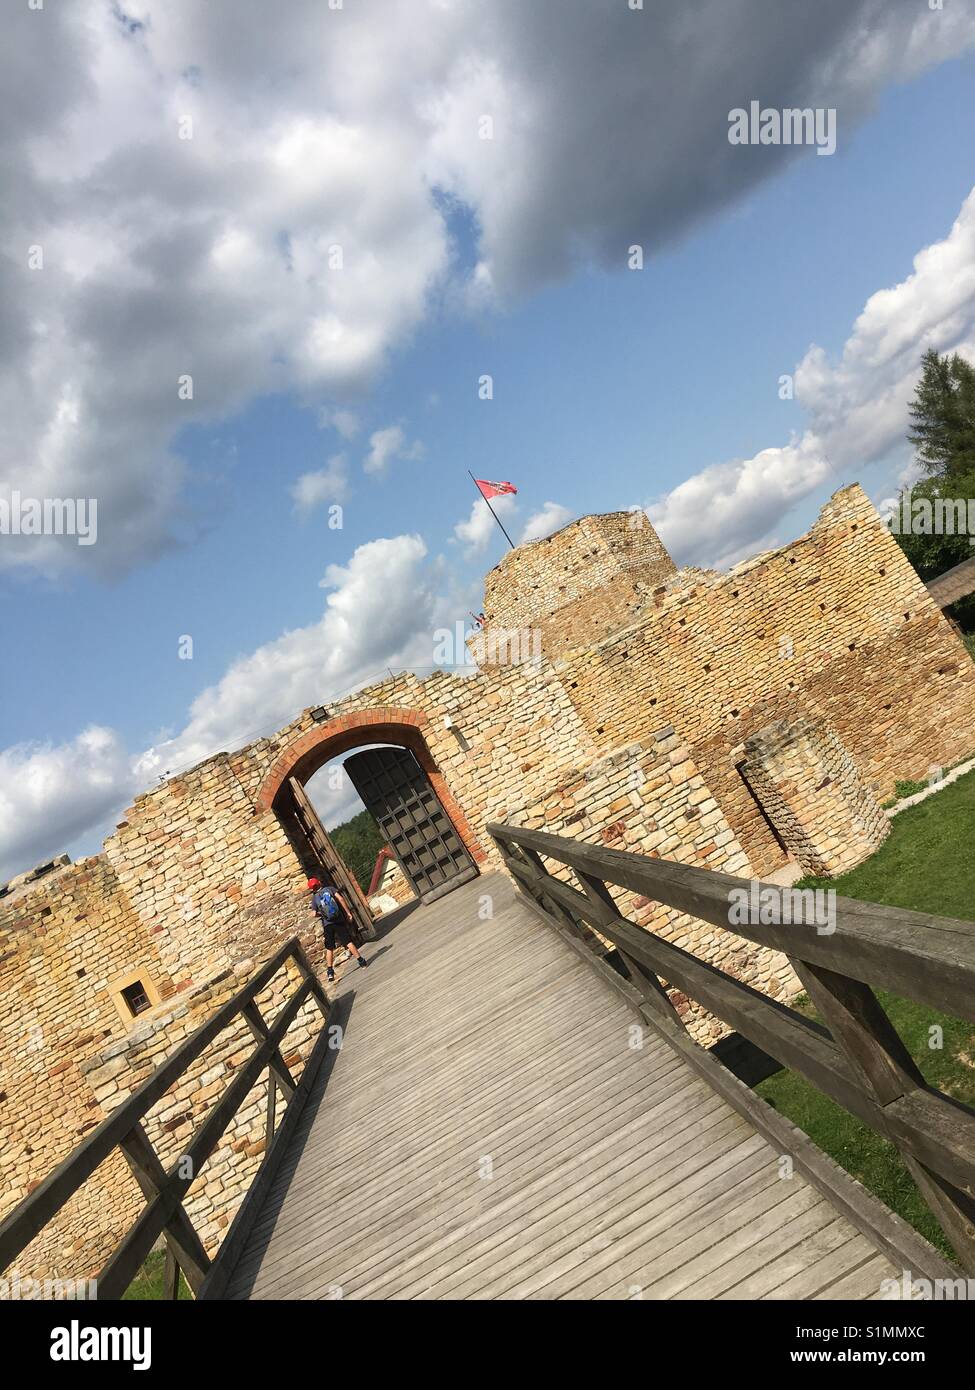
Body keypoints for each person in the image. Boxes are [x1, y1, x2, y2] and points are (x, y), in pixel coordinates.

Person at [307, 877, 369, 983]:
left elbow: (313, 914)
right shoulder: (330, 889)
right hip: (338, 920)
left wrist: (322, 914)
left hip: (327, 925)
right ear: (319, 882)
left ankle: (330, 972)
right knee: (348, 942)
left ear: (312, 888)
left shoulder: (314, 898)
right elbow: (340, 899)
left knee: (329, 948)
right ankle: (361, 961)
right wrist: (348, 913)